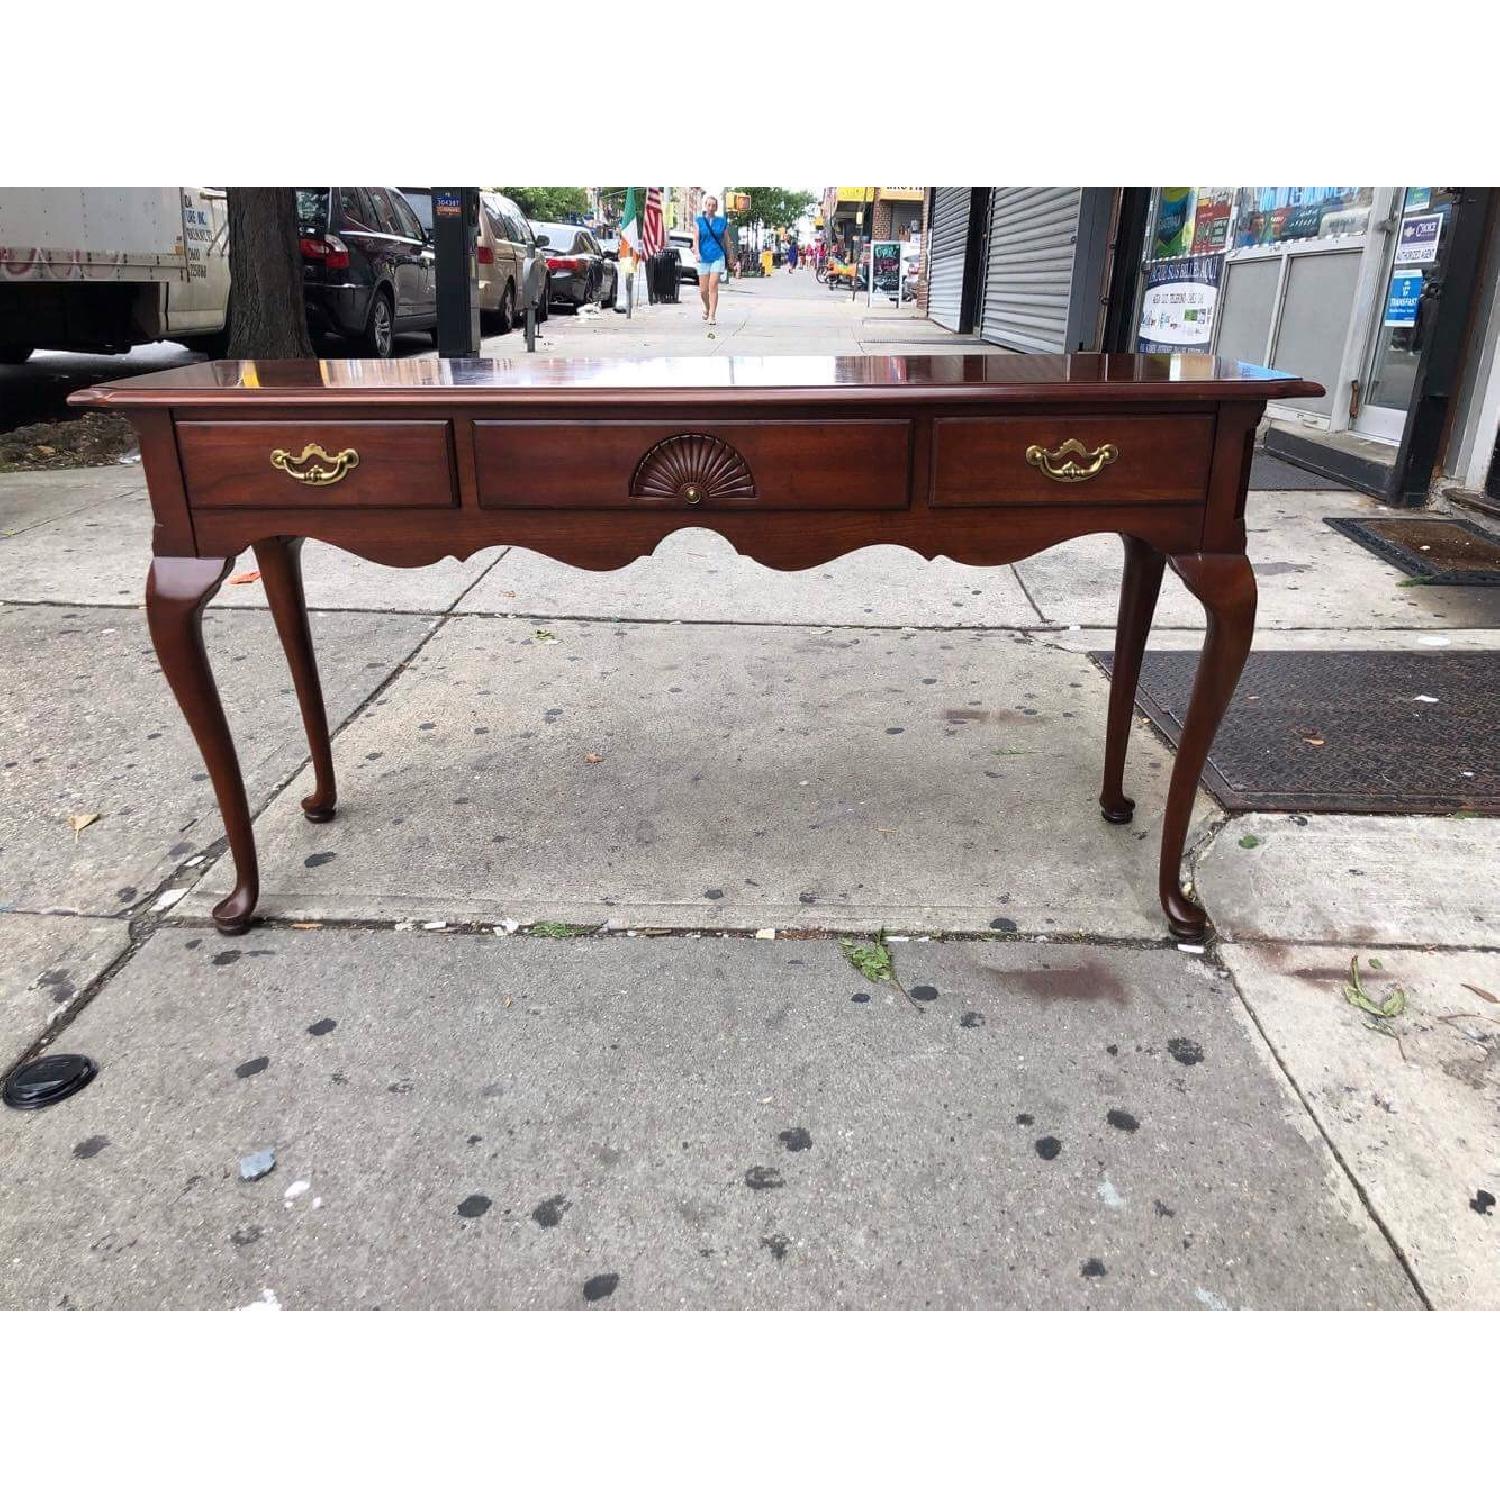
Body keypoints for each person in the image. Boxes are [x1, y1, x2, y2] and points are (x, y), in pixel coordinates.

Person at [692, 195, 732, 326]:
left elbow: (726, 240)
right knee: (703, 290)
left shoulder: (722, 222)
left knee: (713, 285)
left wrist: (730, 256)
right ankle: (707, 307)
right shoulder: (699, 221)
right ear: (705, 206)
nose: (711, 208)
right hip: (703, 257)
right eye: (709, 205)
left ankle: (712, 315)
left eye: (713, 205)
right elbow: (696, 239)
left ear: (716, 207)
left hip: (717, 256)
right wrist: (697, 253)